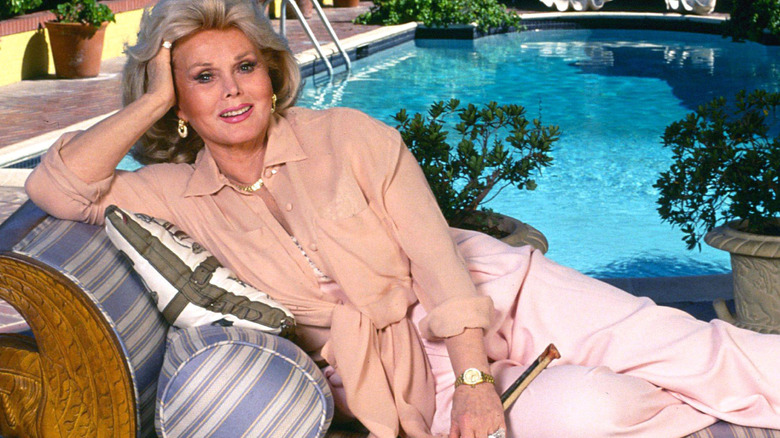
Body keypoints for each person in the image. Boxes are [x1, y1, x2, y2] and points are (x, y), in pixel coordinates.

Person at [23, 0, 780, 436]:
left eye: (244, 66)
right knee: (591, 410)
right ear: (177, 99)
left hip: (488, 290)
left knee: (700, 350)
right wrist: (151, 99)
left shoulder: (352, 134)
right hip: (394, 373)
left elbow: (436, 260)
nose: (232, 91)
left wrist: (479, 376)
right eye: (201, 77)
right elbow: (58, 191)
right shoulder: (164, 190)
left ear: (272, 71)